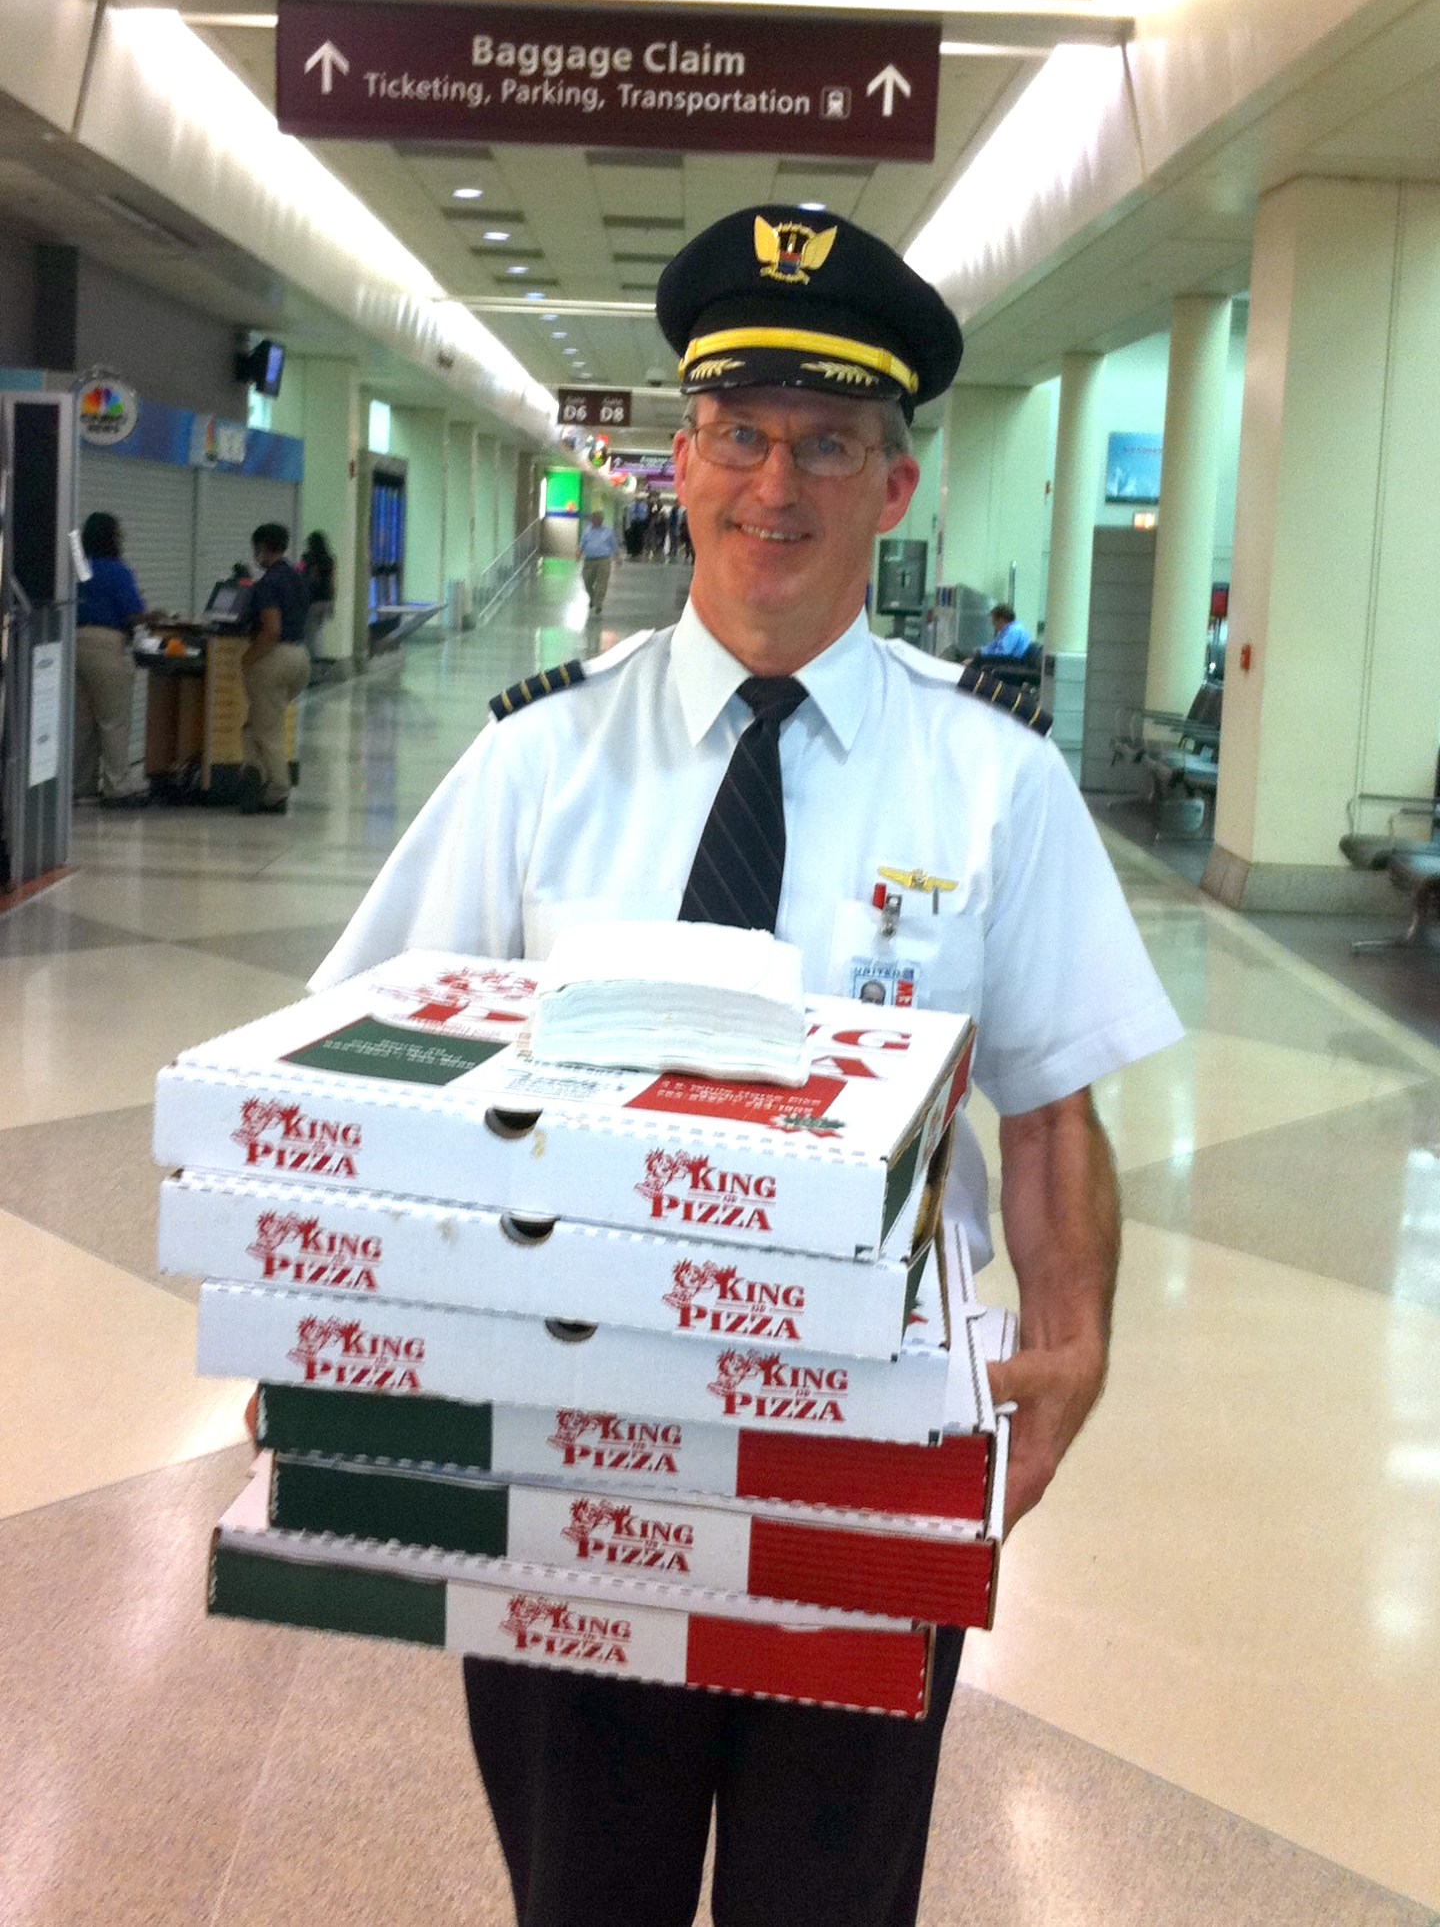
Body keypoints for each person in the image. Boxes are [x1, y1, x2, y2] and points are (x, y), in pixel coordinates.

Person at [312, 202, 1182, 1927]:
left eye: (829, 442)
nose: (774, 483)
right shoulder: (534, 761)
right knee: (587, 1889)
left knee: (828, 1897)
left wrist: (1074, 1340)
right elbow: (371, 1066)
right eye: (739, 433)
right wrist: (335, 1330)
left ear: (895, 485)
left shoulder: (990, 783)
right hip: (575, 1436)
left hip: (866, 1447)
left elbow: (1054, 1098)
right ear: (683, 454)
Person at [73, 511, 149, 809]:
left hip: (76, 643)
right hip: (108, 645)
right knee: (113, 720)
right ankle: (118, 787)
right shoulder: (118, 571)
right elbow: (132, 613)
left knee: (82, 722)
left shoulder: (79, 567)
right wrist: (153, 615)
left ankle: (81, 786)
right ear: (111, 537)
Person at [237, 522, 309, 815]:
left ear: (263, 548)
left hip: (274, 659)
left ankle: (277, 790)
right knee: (261, 723)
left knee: (268, 731)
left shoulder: (267, 584)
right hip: (301, 658)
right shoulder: (296, 578)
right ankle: (254, 771)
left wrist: (248, 658)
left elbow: (272, 629)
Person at [299, 530, 335, 664]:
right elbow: (332, 582)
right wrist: (332, 603)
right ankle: (319, 662)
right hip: (325, 600)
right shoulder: (329, 559)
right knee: (317, 631)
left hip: (312, 601)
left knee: (309, 633)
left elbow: (299, 573)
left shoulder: (307, 558)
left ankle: (314, 663)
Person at [577, 508, 618, 615]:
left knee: (602, 583)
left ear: (601, 520)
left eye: (597, 519)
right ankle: (593, 597)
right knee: (587, 582)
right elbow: (582, 543)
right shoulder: (587, 530)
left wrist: (617, 557)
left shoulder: (608, 531)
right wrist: (579, 552)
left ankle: (598, 604)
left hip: (603, 560)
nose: (595, 521)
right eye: (593, 519)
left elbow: (613, 545)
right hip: (589, 560)